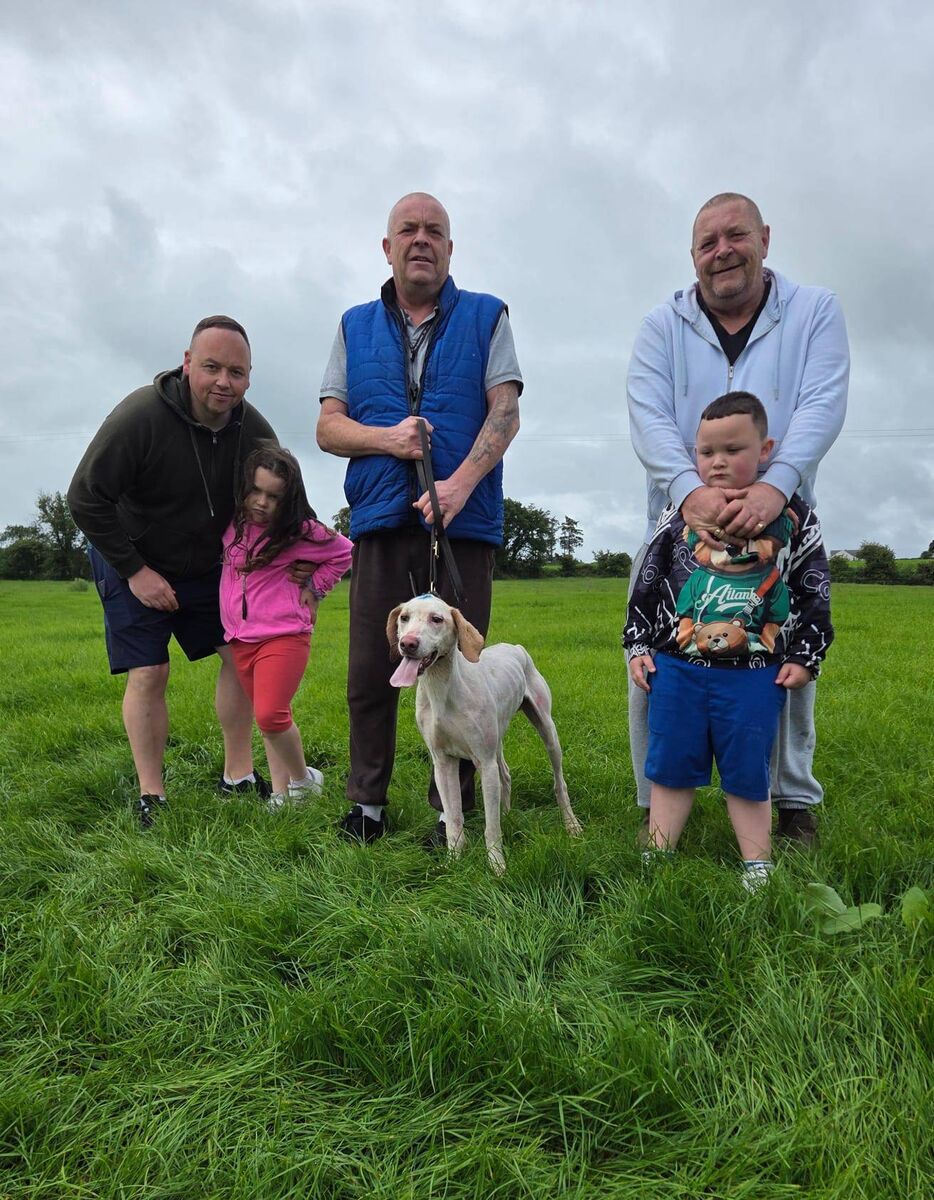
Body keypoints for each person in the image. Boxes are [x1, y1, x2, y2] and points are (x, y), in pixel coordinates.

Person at [626, 192, 849, 846]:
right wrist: (689, 490)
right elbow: (648, 414)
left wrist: (778, 486)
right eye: (706, 242)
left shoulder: (813, 312)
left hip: (776, 519)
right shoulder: (661, 327)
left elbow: (822, 400)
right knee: (660, 659)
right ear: (693, 256)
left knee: (779, 658)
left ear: (765, 239)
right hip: (679, 520)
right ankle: (658, 801)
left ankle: (790, 799)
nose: (722, 251)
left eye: (735, 236)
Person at [316, 191, 522, 844]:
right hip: (380, 523)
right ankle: (367, 805)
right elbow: (327, 427)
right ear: (388, 247)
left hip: (462, 528)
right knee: (371, 672)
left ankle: (449, 814)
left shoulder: (488, 317)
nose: (421, 240)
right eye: (408, 229)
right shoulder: (353, 326)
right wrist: (390, 440)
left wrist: (459, 485)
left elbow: (506, 411)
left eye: (435, 230)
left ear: (451, 248)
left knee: (460, 672)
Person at [68, 316, 278, 827]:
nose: (223, 382)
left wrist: (313, 560)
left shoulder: (251, 428)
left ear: (249, 378)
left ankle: (239, 776)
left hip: (206, 563)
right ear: (187, 364)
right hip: (130, 555)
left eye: (236, 371)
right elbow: (84, 498)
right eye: (211, 367)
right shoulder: (141, 416)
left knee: (242, 655)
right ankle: (152, 794)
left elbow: (287, 497)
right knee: (149, 670)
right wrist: (136, 572)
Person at [624, 392, 833, 889]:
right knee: (671, 763)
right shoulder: (680, 513)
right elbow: (648, 581)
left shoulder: (793, 515)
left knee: (748, 766)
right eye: (705, 452)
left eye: (732, 450)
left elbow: (813, 589)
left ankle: (756, 866)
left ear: (766, 450)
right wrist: (638, 645)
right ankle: (657, 857)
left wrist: (806, 656)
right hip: (677, 668)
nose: (716, 462)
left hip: (754, 675)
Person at [220, 444, 353, 806]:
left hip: (284, 635)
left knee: (270, 714)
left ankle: (305, 779)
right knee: (270, 721)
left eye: (273, 496)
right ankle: (282, 794)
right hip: (239, 638)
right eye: (256, 491)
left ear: (288, 499)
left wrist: (316, 587)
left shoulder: (302, 531)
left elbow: (344, 552)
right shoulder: (233, 524)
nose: (262, 502)